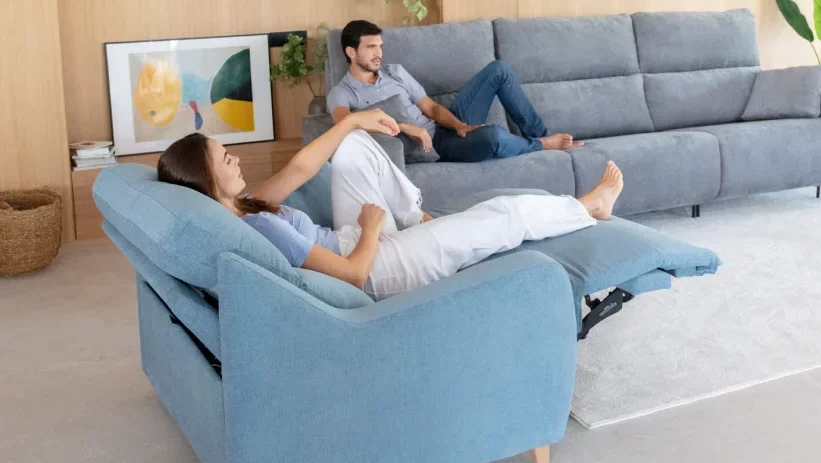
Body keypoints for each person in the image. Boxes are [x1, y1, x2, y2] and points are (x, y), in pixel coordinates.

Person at [157, 110, 624, 301]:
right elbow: (354, 276)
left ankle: (415, 216)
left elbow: (300, 168)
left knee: (354, 147)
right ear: (207, 179)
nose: (235, 158)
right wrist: (370, 228)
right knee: (500, 214)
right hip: (375, 265)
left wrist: (353, 122)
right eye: (225, 158)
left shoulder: (240, 208)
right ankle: (588, 207)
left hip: (352, 241)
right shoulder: (260, 229)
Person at [327, 20, 584, 164]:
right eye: (371, 47)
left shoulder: (394, 72)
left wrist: (460, 125)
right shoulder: (342, 93)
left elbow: (431, 108)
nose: (379, 53)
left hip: (445, 128)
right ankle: (541, 145)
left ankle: (541, 136)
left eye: (380, 46)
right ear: (351, 52)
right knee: (493, 136)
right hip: (435, 146)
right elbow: (346, 125)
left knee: (499, 70)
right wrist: (405, 127)